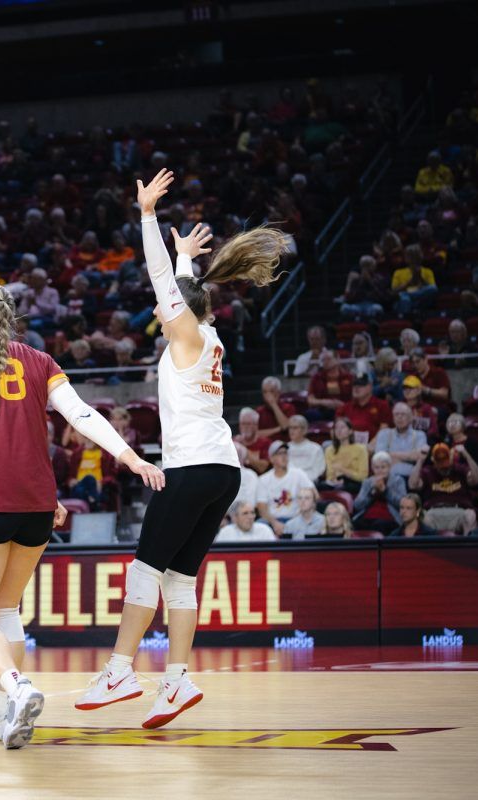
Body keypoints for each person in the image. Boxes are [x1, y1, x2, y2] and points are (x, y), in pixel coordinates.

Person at [0, 282, 159, 748]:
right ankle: (1, 714)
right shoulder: (41, 361)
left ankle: (15, 688)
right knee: (6, 608)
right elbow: (82, 415)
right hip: (39, 506)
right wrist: (131, 458)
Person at [71, 169, 286, 730]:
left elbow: (163, 281)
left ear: (181, 315)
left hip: (190, 469)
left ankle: (120, 669)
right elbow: (184, 290)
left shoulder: (186, 335)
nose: (161, 318)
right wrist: (187, 255)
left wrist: (147, 216)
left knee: (145, 568)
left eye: (168, 312)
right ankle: (177, 679)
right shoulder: (207, 335)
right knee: (180, 579)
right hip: (223, 471)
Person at [408, 443, 478, 535]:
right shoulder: (428, 471)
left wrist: (466, 455)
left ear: (451, 457)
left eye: (445, 462)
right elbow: (412, 485)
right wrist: (420, 460)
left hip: (459, 510)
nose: (444, 469)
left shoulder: (460, 469)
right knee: (425, 518)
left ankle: (468, 549)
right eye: (440, 464)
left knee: (470, 516)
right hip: (434, 512)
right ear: (433, 460)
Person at [256, 441, 315, 536]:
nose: (284, 456)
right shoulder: (263, 479)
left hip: (296, 517)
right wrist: (274, 523)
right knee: (259, 525)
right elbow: (262, 508)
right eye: (279, 453)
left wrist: (296, 519)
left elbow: (314, 495)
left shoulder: (298, 474)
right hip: (272, 520)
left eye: (285, 453)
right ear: (271, 459)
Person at [352, 452, 407, 536]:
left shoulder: (398, 481)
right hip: (368, 515)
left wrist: (386, 491)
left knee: (379, 525)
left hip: (390, 517)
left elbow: (403, 503)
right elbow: (357, 505)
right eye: (377, 468)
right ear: (372, 469)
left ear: (389, 467)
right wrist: (371, 493)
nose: (380, 471)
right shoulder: (367, 482)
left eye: (383, 467)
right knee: (355, 524)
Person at [373, 403, 429, 480]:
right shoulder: (384, 433)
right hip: (387, 478)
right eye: (396, 414)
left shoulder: (420, 435)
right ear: (393, 418)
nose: (399, 417)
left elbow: (418, 456)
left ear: (411, 417)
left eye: (403, 414)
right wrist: (409, 456)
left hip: (410, 477)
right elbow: (379, 457)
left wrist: (391, 455)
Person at [337, 374, 392, 445]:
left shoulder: (382, 405)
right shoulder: (344, 408)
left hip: (373, 446)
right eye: (354, 385)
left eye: (361, 385)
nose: (356, 388)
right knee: (327, 444)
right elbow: (336, 429)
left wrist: (369, 446)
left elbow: (384, 430)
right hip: (348, 445)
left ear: (370, 387)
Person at [321, 416, 369, 495]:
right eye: (336, 428)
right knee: (319, 486)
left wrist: (343, 470)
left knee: (347, 487)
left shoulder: (361, 449)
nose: (339, 430)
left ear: (350, 431)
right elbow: (329, 475)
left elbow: (363, 476)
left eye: (342, 427)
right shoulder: (329, 450)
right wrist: (334, 480)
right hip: (336, 481)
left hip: (353, 482)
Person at [285, 415, 326, 481]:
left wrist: (302, 480)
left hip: (310, 483)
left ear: (304, 430)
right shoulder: (283, 449)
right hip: (289, 482)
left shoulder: (315, 448)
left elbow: (319, 470)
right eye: (290, 428)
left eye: (295, 428)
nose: (291, 431)